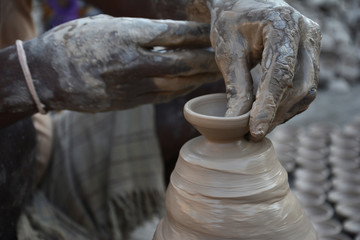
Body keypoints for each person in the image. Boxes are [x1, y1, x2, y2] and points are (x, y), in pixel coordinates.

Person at [0, 0, 321, 239]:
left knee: (222, 66)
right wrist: (32, 74)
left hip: (39, 148)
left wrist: (224, 3)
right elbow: (32, 76)